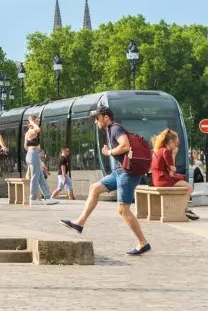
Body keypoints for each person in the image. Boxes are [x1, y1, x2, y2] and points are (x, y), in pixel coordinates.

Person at [61, 107, 151, 256]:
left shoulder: (115, 128)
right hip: (120, 171)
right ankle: (79, 223)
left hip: (127, 173)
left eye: (97, 118)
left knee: (123, 209)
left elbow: (125, 146)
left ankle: (143, 242)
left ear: (106, 118)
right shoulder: (111, 130)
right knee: (94, 188)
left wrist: (108, 152)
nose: (96, 122)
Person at [150, 129, 200, 222]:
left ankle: (184, 208)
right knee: (189, 187)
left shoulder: (158, 150)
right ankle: (185, 209)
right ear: (171, 142)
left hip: (157, 178)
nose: (177, 145)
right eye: (176, 143)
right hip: (163, 179)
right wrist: (174, 154)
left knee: (183, 183)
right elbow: (173, 168)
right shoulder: (166, 151)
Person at [24, 115, 52, 205]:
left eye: (38, 121)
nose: (38, 123)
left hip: (32, 154)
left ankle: (48, 197)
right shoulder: (32, 131)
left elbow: (25, 146)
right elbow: (38, 129)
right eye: (36, 121)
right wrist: (32, 122)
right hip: (33, 155)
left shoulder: (28, 133)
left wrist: (36, 152)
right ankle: (33, 198)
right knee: (35, 177)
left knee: (40, 177)